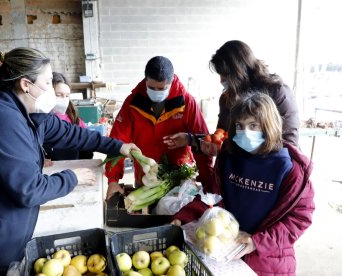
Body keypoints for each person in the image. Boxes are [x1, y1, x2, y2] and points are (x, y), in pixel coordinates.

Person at [0, 47, 139, 275]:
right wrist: (72, 177)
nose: (52, 91)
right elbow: (28, 189)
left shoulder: (28, 114)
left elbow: (73, 134)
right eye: (48, 83)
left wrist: (118, 146)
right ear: (25, 84)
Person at [172, 92, 315, 276]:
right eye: (240, 126)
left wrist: (258, 242)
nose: (245, 132)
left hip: (268, 259)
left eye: (253, 125)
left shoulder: (290, 170)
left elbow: (299, 219)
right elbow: (212, 196)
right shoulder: (229, 158)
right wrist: (183, 216)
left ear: (269, 126)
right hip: (224, 248)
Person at [164, 40, 300, 156]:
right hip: (238, 171)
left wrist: (248, 150)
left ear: (240, 71)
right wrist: (192, 139)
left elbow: (289, 144)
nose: (221, 81)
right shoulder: (227, 98)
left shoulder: (278, 92)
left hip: (271, 173)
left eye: (225, 75)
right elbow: (221, 136)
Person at [104, 56, 213, 200]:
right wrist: (113, 181)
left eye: (162, 88)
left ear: (172, 80)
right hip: (145, 178)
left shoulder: (187, 103)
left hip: (180, 177)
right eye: (151, 88)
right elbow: (117, 140)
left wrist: (206, 179)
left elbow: (203, 142)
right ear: (146, 80)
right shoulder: (132, 103)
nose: (156, 91)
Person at [44, 71, 94, 161]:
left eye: (67, 96)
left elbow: (87, 150)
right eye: (58, 95)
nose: (64, 100)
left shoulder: (74, 119)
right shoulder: (39, 120)